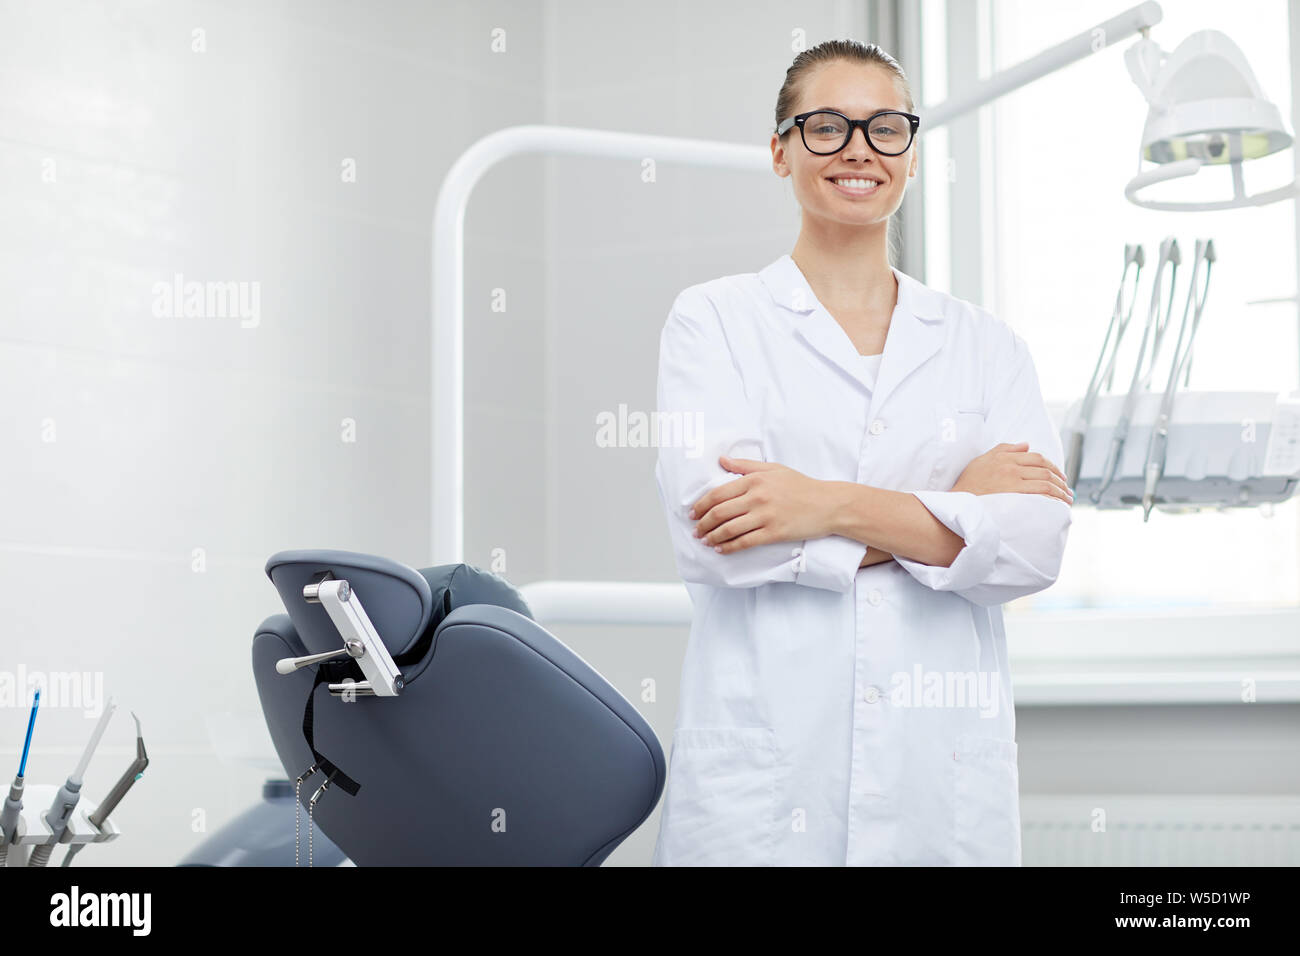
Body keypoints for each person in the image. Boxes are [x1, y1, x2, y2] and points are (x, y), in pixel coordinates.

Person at [650, 38, 1073, 866]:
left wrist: (825, 504)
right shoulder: (714, 322)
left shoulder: (988, 348)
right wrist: (955, 510)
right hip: (767, 778)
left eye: (885, 127)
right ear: (780, 151)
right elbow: (719, 535)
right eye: (826, 127)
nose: (858, 150)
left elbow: (1032, 546)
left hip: (935, 776)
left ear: (912, 155)